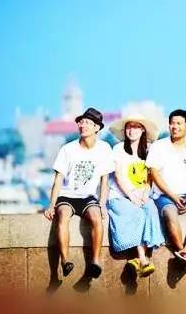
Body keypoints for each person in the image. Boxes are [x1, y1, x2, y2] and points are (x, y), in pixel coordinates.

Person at [44, 107, 114, 279]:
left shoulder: (104, 148)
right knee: (63, 215)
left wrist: (102, 205)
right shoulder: (68, 149)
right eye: (81, 122)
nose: (83, 125)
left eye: (88, 123)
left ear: (97, 128)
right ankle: (65, 261)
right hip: (67, 196)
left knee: (96, 218)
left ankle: (95, 261)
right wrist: (51, 205)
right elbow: (58, 180)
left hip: (88, 197)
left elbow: (105, 181)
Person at [146, 109, 186, 266]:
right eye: (172, 123)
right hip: (164, 195)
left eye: (179, 123)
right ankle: (182, 251)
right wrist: (173, 196)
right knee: (170, 212)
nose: (175, 127)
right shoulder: (159, 146)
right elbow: (154, 174)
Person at [107, 113, 165, 278]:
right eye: (129, 127)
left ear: (143, 130)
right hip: (119, 195)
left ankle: (136, 260)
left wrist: (145, 194)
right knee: (137, 213)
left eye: (136, 127)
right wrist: (131, 196)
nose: (132, 130)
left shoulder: (149, 149)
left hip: (142, 195)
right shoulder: (118, 149)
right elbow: (118, 176)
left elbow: (150, 176)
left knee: (151, 210)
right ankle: (142, 259)